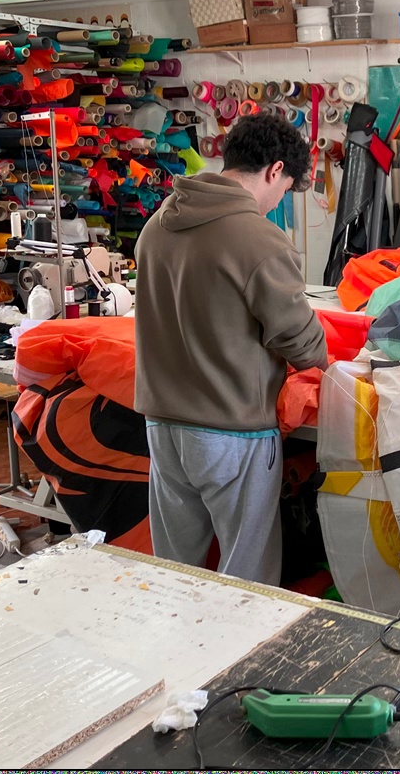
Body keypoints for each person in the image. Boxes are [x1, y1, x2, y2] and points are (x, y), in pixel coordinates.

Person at [134, 112, 327, 586]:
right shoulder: (258, 238)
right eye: (284, 189)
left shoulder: (158, 224)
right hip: (231, 431)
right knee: (247, 578)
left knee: (174, 568)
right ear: (274, 171)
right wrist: (325, 359)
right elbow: (299, 340)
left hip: (163, 425)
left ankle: (176, 655)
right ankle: (241, 661)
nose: (279, 200)